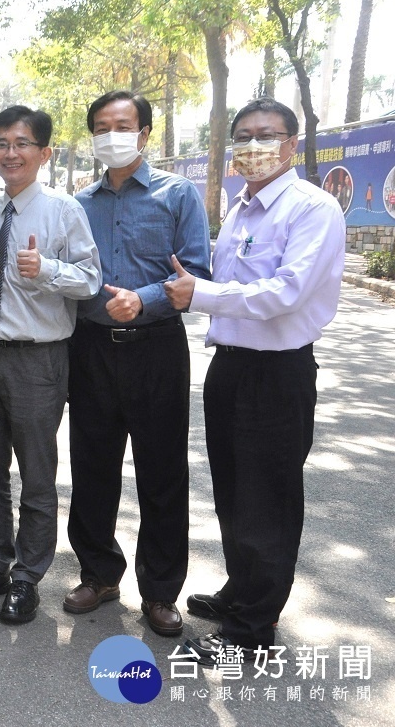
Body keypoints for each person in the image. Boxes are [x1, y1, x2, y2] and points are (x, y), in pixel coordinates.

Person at [164, 97, 346, 664]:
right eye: (242, 137)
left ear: (292, 144)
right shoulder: (242, 207)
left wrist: (202, 294)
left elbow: (286, 291)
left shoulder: (311, 209)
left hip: (279, 372)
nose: (252, 147)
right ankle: (241, 592)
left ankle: (253, 627)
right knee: (234, 494)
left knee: (267, 499)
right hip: (233, 366)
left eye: (267, 135)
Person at [63, 91, 211, 637]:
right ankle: (98, 573)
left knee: (163, 473)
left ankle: (160, 591)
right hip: (92, 350)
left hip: (156, 348)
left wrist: (144, 298)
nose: (112, 135)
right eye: (101, 127)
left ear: (146, 132)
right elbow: (68, 274)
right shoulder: (78, 203)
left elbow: (195, 272)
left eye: (122, 125)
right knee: (92, 468)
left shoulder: (179, 195)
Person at [0, 106, 100, 624]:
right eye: (1, 144)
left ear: (44, 152)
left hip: (38, 360)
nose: (10, 153)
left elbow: (91, 280)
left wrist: (48, 270)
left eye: (21, 143)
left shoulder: (64, 211)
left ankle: (26, 577)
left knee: (37, 474)